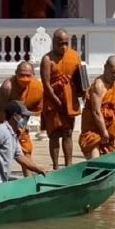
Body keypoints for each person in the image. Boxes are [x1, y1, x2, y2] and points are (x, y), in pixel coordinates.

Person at [0, 100, 47, 193]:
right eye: (25, 116)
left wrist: (37, 169)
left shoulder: (13, 134)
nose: (26, 120)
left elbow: (20, 157)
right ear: (15, 117)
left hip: (1, 183)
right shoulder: (1, 131)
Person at [41, 29, 83, 169]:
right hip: (52, 101)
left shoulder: (74, 56)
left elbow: (80, 77)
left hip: (69, 101)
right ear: (53, 43)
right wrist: (58, 103)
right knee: (54, 134)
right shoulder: (47, 59)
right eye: (60, 44)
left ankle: (69, 165)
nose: (64, 47)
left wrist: (82, 93)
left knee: (68, 133)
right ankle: (55, 166)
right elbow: (46, 85)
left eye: (66, 43)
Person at [0, 62, 45, 168]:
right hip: (2, 119)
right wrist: (9, 131)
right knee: (0, 148)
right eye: (21, 75)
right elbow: (2, 111)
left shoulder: (37, 87)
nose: (24, 79)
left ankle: (29, 179)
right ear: (15, 73)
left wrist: (22, 127)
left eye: (28, 76)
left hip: (21, 121)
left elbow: (30, 110)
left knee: (25, 147)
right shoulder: (7, 88)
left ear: (33, 74)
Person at [79, 56, 115, 158]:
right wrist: (104, 132)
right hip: (94, 129)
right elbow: (96, 111)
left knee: (114, 160)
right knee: (95, 161)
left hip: (111, 129)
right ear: (105, 68)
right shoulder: (99, 85)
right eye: (113, 72)